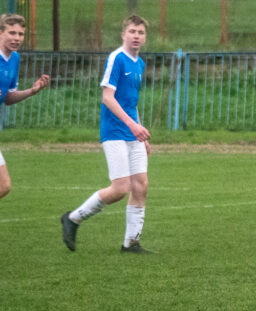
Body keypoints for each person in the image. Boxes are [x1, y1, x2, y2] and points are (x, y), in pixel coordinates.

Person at [61, 14, 153, 254]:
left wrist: (140, 131)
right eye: (132, 31)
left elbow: (131, 103)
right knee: (120, 189)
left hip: (132, 132)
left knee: (141, 185)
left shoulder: (139, 63)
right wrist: (132, 126)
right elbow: (107, 98)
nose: (136, 36)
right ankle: (73, 218)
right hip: (114, 132)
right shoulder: (117, 59)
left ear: (145, 37)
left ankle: (131, 243)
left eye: (140, 32)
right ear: (123, 34)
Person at [0, 13, 51, 201]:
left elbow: (7, 97)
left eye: (20, 34)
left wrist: (32, 91)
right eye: (12, 33)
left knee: (3, 186)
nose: (17, 38)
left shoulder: (14, 58)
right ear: (0, 33)